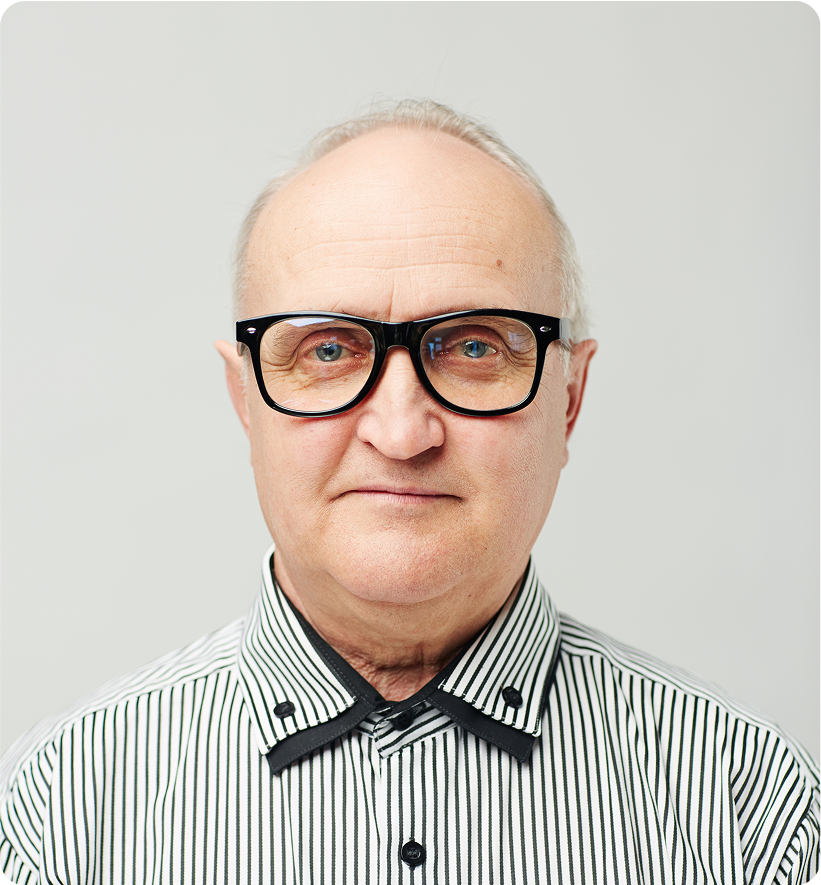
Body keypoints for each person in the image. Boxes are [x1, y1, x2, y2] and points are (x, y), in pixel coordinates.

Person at [0, 99, 818, 885]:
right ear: (244, 401)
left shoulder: (749, 809)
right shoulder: (63, 810)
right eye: (327, 351)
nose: (401, 432)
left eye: (472, 346)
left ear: (568, 399)